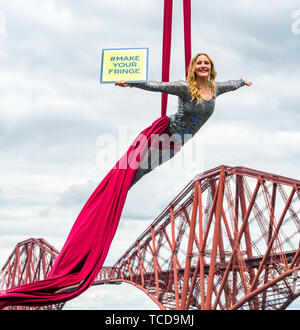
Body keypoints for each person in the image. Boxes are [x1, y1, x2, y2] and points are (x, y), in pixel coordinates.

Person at [115, 53, 252, 186]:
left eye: (206, 63)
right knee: (137, 170)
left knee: (143, 171)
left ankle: (114, 200)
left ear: (211, 68)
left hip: (178, 144)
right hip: (166, 135)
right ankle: (112, 198)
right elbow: (157, 85)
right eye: (199, 63)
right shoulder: (185, 88)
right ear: (193, 68)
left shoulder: (215, 89)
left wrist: (242, 82)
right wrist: (130, 83)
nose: (203, 66)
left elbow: (231, 84)